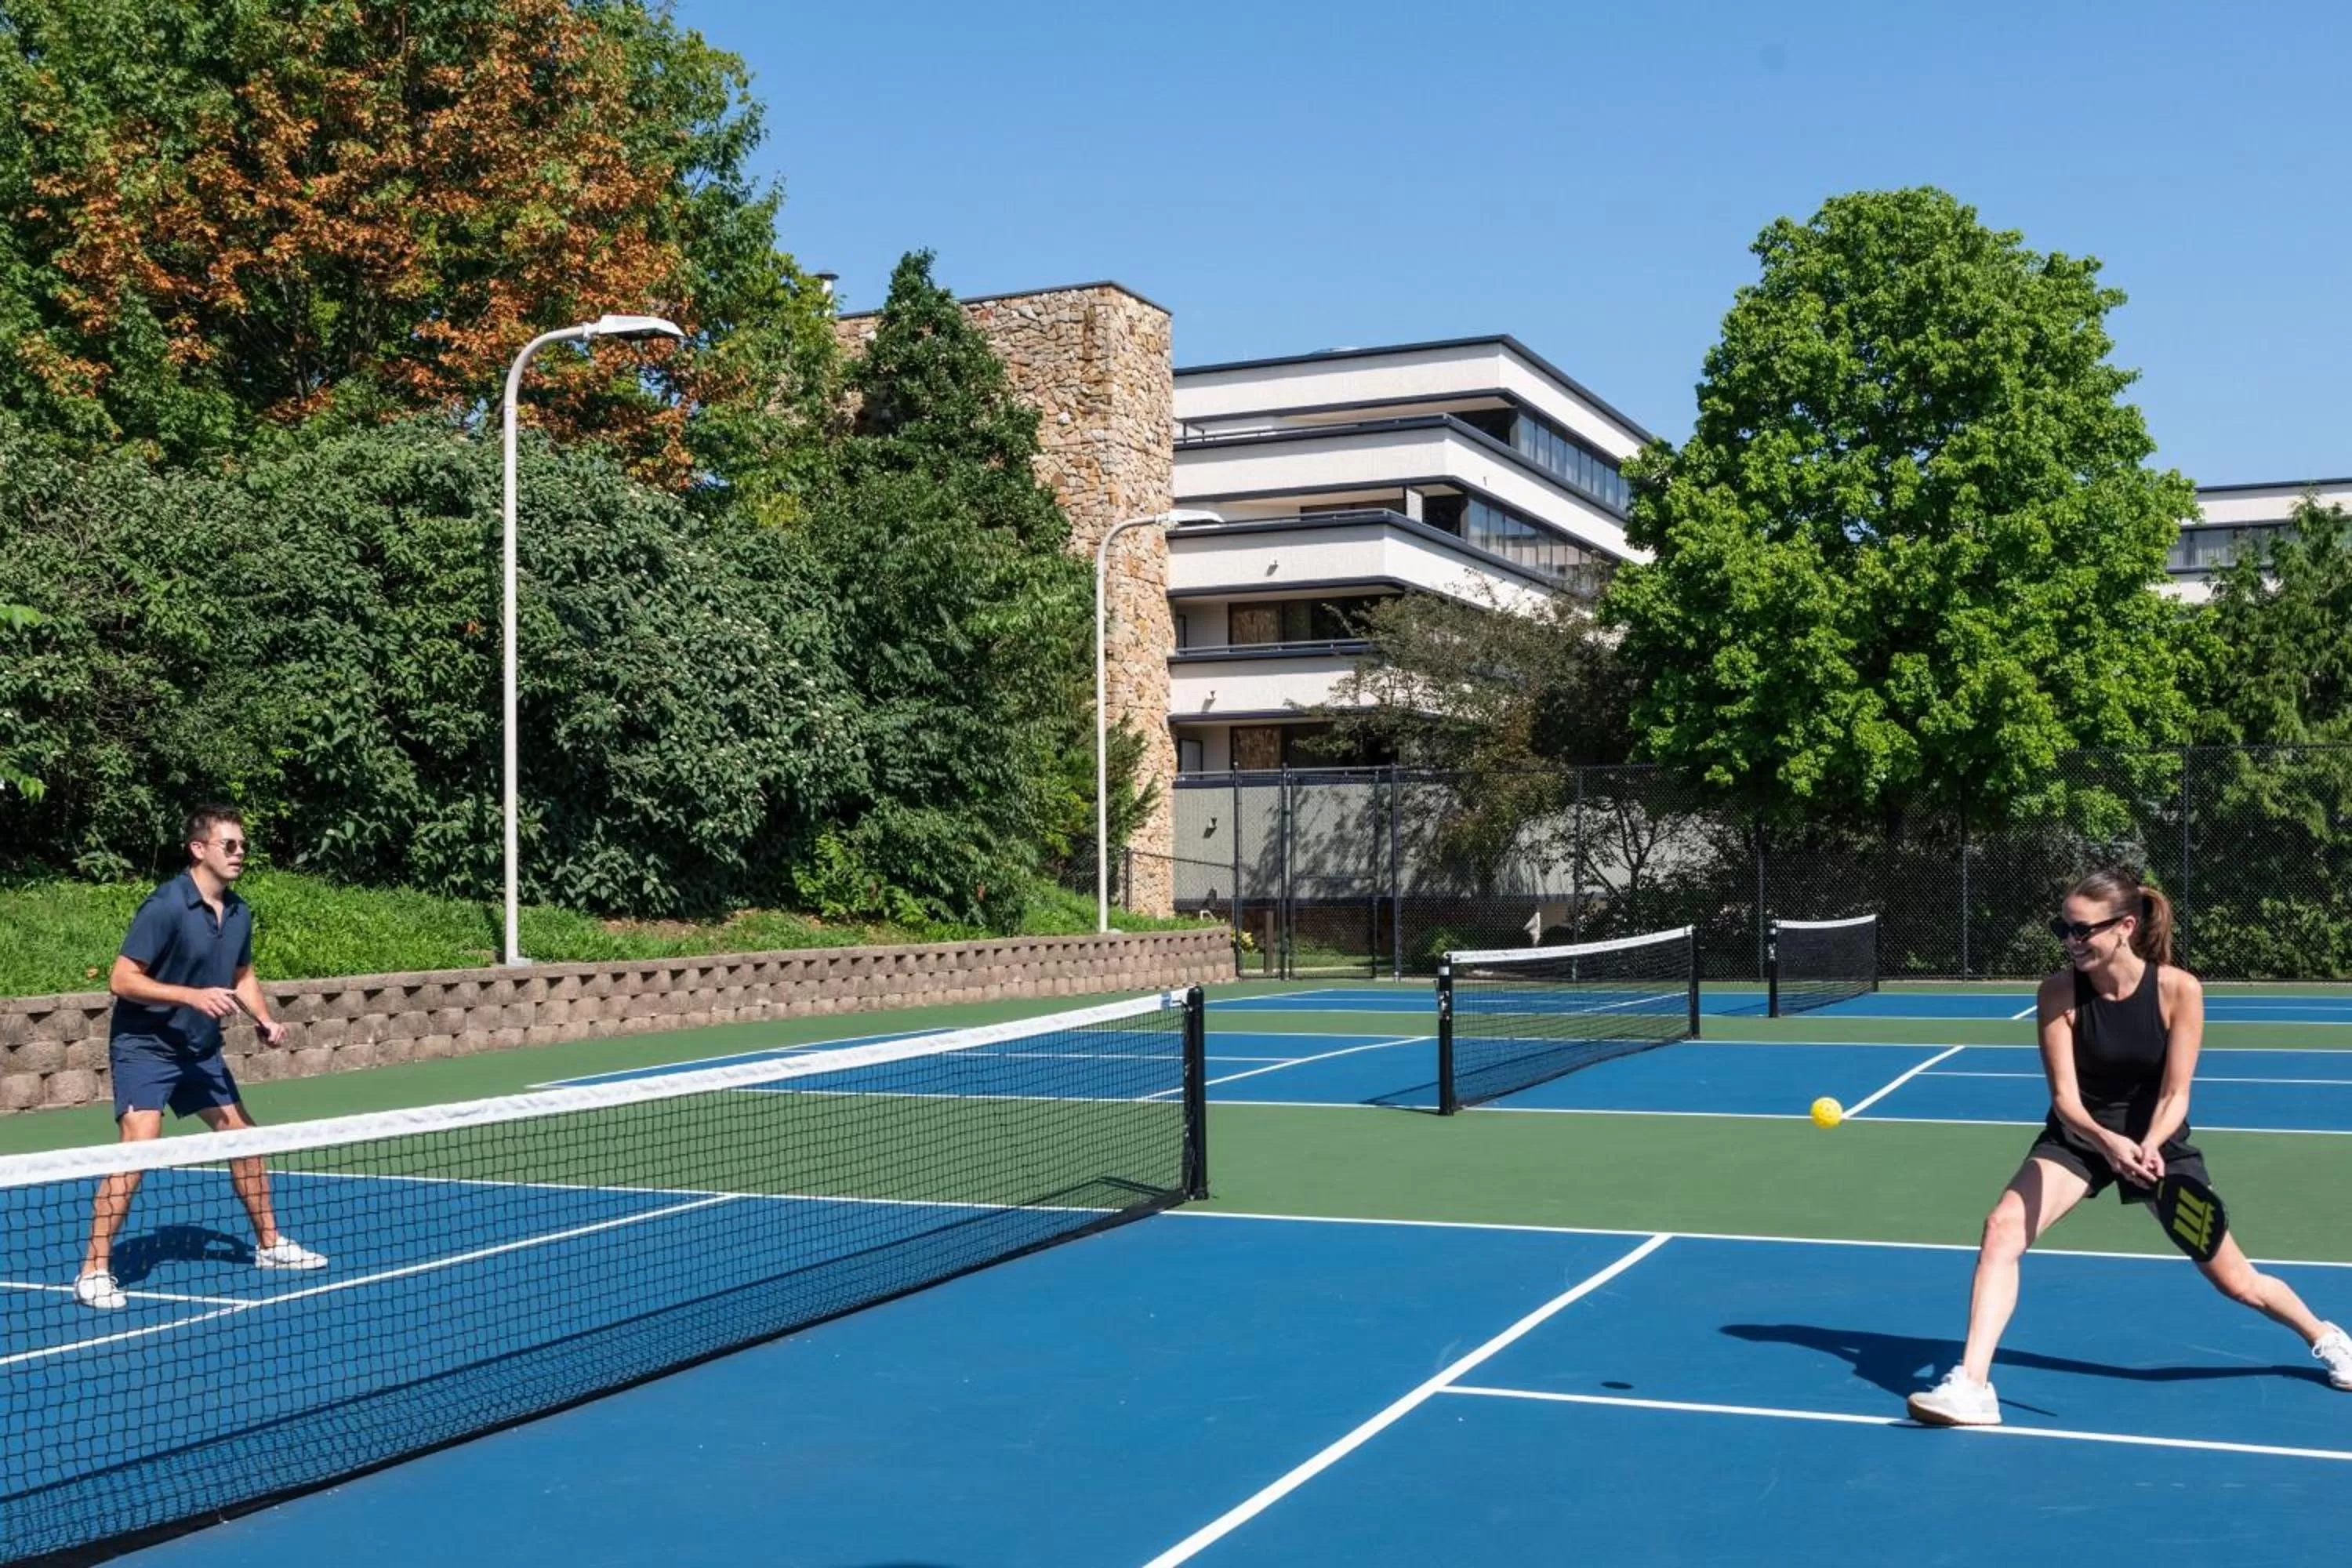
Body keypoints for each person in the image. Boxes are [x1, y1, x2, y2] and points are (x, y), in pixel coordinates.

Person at [1907, 868, 2352, 1425]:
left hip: (2156, 1144)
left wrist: (2146, 1145)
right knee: (2001, 1229)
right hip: (2082, 1137)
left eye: (2082, 931)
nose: (2071, 942)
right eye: (2062, 930)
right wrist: (2108, 1142)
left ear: (2124, 927)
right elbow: (2066, 1098)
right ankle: (1972, 1385)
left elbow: (2177, 1093)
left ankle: (2327, 1336)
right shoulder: (2058, 992)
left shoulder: (2178, 989)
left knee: (2238, 1282)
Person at [74, 805, 327, 1309]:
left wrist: (264, 1019)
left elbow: (241, 976)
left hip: (199, 1049)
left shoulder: (238, 911)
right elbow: (121, 980)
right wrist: (191, 996)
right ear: (198, 849)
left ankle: (270, 1245)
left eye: (243, 846)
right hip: (146, 1045)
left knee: (243, 1137)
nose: (239, 854)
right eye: (229, 845)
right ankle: (93, 1272)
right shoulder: (165, 906)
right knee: (139, 1147)